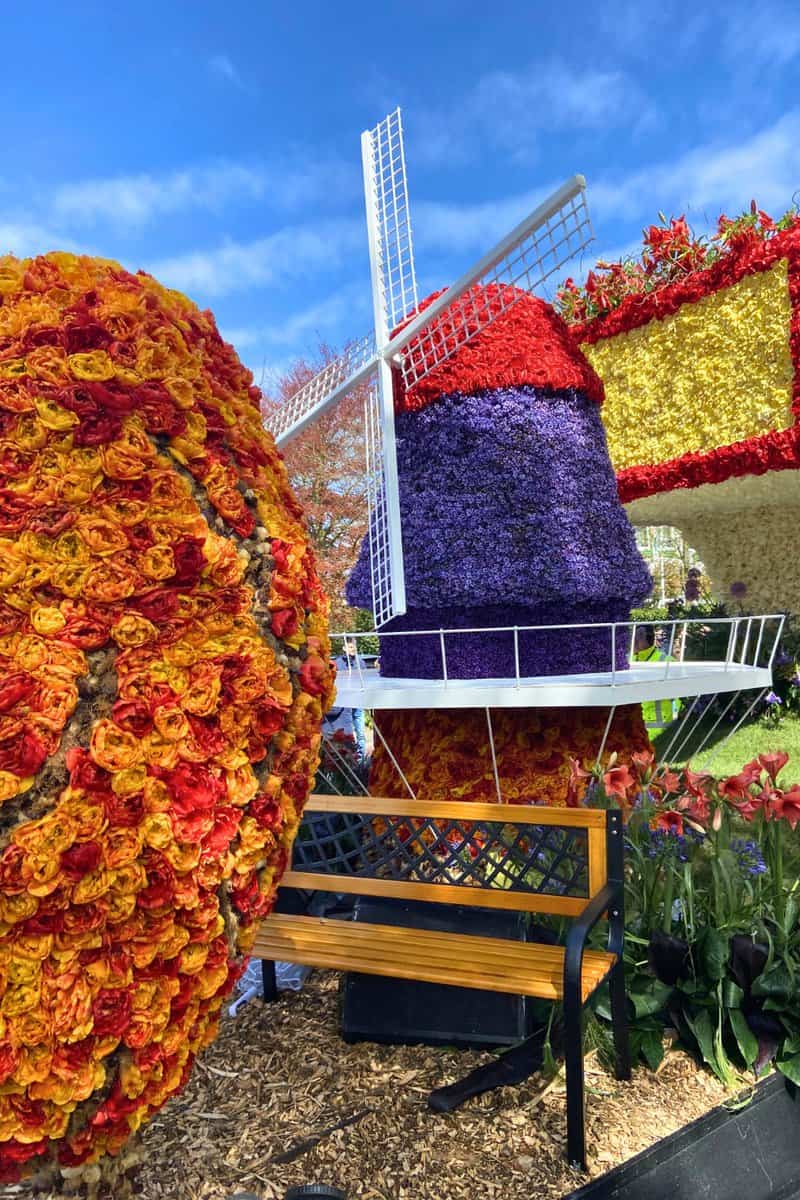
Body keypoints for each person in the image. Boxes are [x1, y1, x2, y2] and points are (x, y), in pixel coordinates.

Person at [633, 624, 679, 731]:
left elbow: (678, 694)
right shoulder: (631, 660)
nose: (634, 640)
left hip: (659, 723)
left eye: (637, 637)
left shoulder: (666, 660)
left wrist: (676, 715)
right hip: (638, 721)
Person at [334, 636, 368, 763]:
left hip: (358, 701)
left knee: (360, 732)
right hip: (346, 703)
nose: (352, 649)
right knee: (347, 732)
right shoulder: (338, 663)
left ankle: (361, 760)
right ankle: (349, 759)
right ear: (344, 648)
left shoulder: (361, 662)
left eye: (353, 647)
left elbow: (366, 679)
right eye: (349, 647)